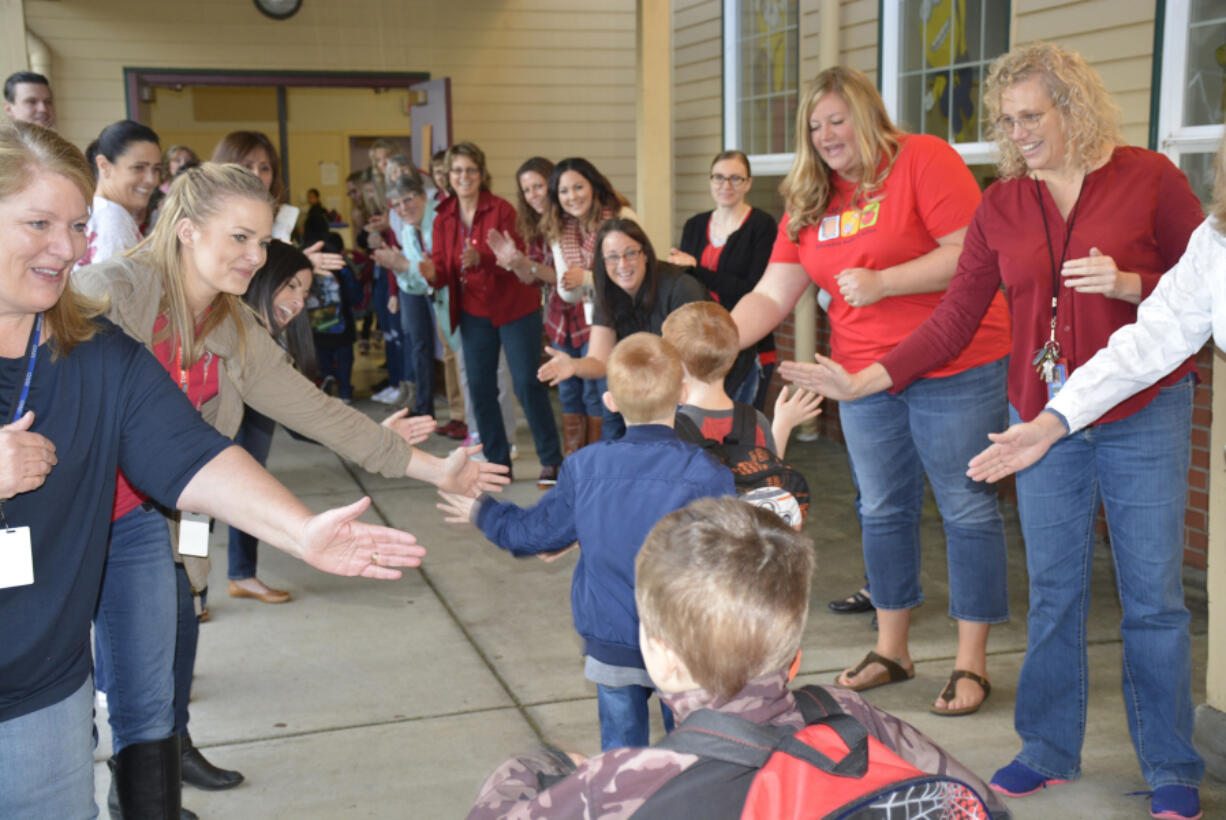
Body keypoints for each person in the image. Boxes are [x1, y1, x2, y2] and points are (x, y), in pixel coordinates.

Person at [794, 46, 1207, 819]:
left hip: (1141, 411)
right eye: (1008, 120)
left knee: (1151, 598)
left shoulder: (1149, 179)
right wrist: (868, 378)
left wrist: (1131, 284)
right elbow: (953, 321)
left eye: (1032, 116)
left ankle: (1171, 765)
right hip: (1040, 420)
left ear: (1074, 108)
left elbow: (1205, 286)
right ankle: (1048, 748)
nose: (1018, 133)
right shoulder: (1004, 205)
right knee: (1054, 589)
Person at [0, 122, 425, 819]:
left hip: (46, 672)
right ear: (188, 230)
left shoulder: (101, 349)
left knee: (153, 670)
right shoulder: (117, 293)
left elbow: (188, 450)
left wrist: (301, 533)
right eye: (39, 222)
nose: (66, 247)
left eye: (76, 224)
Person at [75, 161, 510, 815]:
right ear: (188, 231)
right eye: (240, 238)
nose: (256, 257)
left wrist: (432, 468)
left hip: (140, 520)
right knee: (54, 691)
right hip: (62, 515)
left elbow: (321, 413)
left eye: (262, 240)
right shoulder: (105, 292)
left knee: (147, 688)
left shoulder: (235, 327)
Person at [729, 66, 1013, 717]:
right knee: (881, 508)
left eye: (838, 119)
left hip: (956, 365)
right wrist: (707, 345)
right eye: (815, 125)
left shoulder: (923, 160)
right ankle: (893, 649)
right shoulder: (810, 195)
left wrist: (887, 282)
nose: (827, 135)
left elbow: (971, 250)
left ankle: (971, 662)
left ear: (867, 114)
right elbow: (773, 293)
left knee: (966, 509)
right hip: (860, 376)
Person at [465, 496, 1008, 819]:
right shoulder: (848, 713)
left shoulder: (626, 780)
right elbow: (982, 806)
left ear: (661, 656)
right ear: (792, 656)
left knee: (540, 763)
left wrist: (545, 767)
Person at [439, 332, 735, 751]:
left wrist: (482, 511)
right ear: (683, 394)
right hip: (684, 644)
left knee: (619, 757)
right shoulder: (710, 474)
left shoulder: (584, 467)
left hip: (611, 639)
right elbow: (729, 566)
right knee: (692, 751)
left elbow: (534, 534)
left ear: (611, 401)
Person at [538, 219, 753, 440]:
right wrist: (573, 365)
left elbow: (695, 360)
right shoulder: (608, 292)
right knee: (614, 412)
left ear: (646, 254)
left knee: (701, 443)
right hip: (674, 379)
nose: (622, 264)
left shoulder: (681, 287)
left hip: (717, 370)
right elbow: (600, 360)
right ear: (602, 262)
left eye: (630, 253)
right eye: (612, 256)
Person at [428, 141, 563, 487]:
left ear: (481, 173)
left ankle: (551, 460)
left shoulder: (501, 209)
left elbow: (516, 260)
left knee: (526, 383)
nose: (464, 176)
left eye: (470, 169)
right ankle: (498, 463)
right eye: (457, 170)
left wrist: (483, 259)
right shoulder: (443, 216)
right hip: (473, 311)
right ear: (448, 176)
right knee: (480, 388)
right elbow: (443, 270)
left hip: (514, 306)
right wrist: (426, 271)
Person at [226, 240, 318, 606]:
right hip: (211, 425)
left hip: (257, 413)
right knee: (200, 507)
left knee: (252, 484)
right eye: (290, 285)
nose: (298, 301)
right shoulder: (225, 324)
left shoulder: (278, 338)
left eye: (306, 292)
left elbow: (303, 418)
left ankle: (242, 574)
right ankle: (189, 587)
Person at [669, 150, 779, 407]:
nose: (725, 185)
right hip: (702, 345)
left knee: (742, 428)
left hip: (747, 344)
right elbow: (684, 283)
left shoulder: (762, 226)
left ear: (748, 183)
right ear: (710, 181)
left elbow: (752, 289)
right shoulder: (695, 225)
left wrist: (696, 268)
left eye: (735, 179)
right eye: (718, 178)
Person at [662, 301, 821, 459]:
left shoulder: (669, 427)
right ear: (732, 357)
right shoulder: (756, 421)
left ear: (675, 365)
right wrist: (782, 426)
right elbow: (769, 476)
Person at [75, 120, 160, 269]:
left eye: (156, 169)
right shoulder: (112, 220)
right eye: (138, 168)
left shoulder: (98, 210)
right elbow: (111, 291)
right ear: (104, 166)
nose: (151, 180)